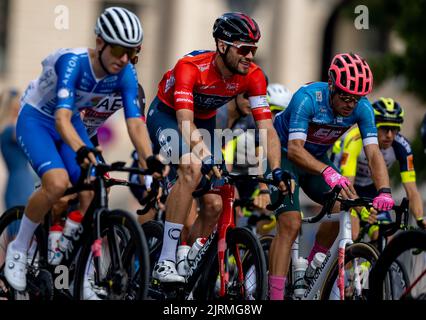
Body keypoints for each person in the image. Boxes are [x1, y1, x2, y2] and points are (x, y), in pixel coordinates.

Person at [4, 7, 165, 292]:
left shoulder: (126, 73)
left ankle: (79, 264)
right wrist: (83, 149)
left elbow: (135, 124)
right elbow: (61, 119)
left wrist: (149, 161)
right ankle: (18, 249)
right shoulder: (73, 63)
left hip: (72, 121)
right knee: (57, 183)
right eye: (118, 50)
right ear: (100, 42)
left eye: (132, 51)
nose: (124, 59)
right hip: (39, 118)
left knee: (95, 183)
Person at [146, 12, 288, 283]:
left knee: (215, 201)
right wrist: (206, 154)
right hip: (168, 115)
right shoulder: (190, 67)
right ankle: (164, 260)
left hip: (204, 120)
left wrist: (276, 170)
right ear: (222, 46)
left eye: (254, 49)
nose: (250, 56)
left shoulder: (253, 76)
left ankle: (189, 258)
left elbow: (267, 129)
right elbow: (185, 122)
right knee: (192, 166)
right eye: (244, 49)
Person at [269, 52, 395, 300]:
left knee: (347, 206)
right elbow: (295, 150)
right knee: (291, 223)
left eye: (356, 98)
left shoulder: (363, 109)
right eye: (345, 96)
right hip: (285, 155)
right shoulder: (307, 98)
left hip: (316, 158)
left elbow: (373, 154)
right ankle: (273, 295)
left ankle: (314, 266)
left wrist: (385, 191)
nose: (351, 104)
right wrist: (328, 171)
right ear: (331, 87)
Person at [334, 97, 425, 237]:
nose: (389, 135)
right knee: (352, 234)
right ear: (373, 125)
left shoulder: (402, 146)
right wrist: (360, 210)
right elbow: (347, 186)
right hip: (346, 188)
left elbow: (412, 190)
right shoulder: (355, 140)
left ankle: (371, 258)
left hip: (371, 189)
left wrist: (420, 220)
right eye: (384, 128)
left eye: (394, 129)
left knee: (384, 236)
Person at [0, 89, 36, 209]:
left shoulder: (7, 128)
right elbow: (29, 136)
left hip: (22, 179)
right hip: (19, 182)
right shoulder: (10, 130)